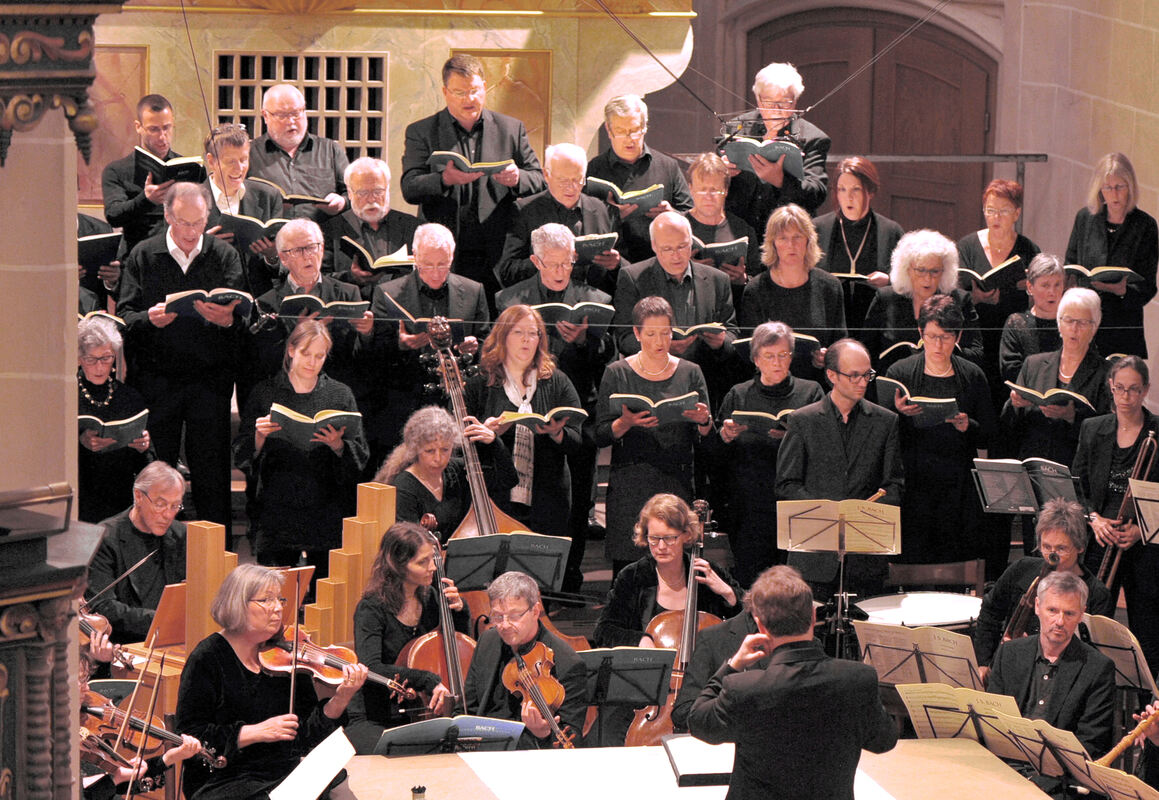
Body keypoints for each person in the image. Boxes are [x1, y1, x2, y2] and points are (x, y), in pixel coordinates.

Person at [687, 565, 896, 800]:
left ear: (760, 625)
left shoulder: (742, 688)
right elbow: (884, 741)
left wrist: (732, 664)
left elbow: (698, 722)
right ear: (813, 616)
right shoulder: (858, 679)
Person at [175, 564, 368, 800]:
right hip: (225, 778)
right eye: (266, 600)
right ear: (238, 604)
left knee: (341, 788)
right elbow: (189, 735)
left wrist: (341, 698)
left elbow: (305, 737)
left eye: (280, 599)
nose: (277, 608)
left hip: (279, 771)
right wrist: (254, 732)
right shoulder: (208, 657)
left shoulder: (288, 655)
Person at [117, 181, 245, 532]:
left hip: (210, 380)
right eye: (184, 222)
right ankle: (152, 543)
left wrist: (227, 319)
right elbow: (125, 316)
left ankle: (217, 552)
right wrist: (149, 319)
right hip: (157, 380)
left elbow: (244, 316)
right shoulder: (144, 253)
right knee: (157, 469)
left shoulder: (224, 254)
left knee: (212, 471)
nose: (191, 231)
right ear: (167, 216)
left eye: (199, 222)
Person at [496, 224, 616, 590]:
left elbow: (606, 357)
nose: (562, 271)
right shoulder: (510, 300)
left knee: (577, 499)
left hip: (575, 409)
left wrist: (584, 342)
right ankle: (524, 579)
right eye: (553, 264)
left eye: (568, 263)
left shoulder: (595, 299)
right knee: (528, 498)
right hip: (522, 407)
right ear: (535, 261)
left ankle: (569, 577)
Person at [400, 54, 544, 300]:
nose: (469, 99)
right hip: (446, 253)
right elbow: (410, 187)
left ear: (485, 87)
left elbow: (538, 179)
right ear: (445, 92)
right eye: (460, 92)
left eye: (475, 90)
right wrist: (444, 180)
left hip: (498, 251)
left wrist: (517, 178)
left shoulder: (510, 129)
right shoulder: (422, 131)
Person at [234, 319, 368, 579]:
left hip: (325, 504)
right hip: (278, 504)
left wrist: (338, 445)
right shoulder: (265, 392)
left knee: (326, 588)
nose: (312, 362)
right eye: (306, 354)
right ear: (291, 350)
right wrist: (259, 437)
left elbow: (360, 456)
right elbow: (241, 451)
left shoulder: (340, 395)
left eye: (320, 356)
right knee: (276, 587)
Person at [775, 339, 904, 597]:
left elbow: (894, 485)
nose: (862, 382)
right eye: (854, 375)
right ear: (831, 375)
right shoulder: (802, 420)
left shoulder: (886, 421)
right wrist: (827, 512)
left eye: (867, 375)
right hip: (813, 559)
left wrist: (865, 511)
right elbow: (787, 484)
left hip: (865, 557)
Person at [596, 297, 712, 576]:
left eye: (665, 333)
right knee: (629, 570)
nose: (659, 341)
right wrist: (624, 423)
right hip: (630, 483)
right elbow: (599, 434)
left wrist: (704, 422)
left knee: (674, 568)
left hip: (675, 479)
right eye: (650, 334)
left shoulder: (690, 372)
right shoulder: (617, 373)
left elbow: (708, 438)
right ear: (636, 334)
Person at [883, 295, 996, 565]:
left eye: (946, 337)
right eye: (932, 336)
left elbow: (990, 431)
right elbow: (882, 436)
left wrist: (969, 425)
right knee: (914, 557)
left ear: (958, 336)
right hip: (914, 481)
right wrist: (897, 413)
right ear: (921, 332)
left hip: (957, 483)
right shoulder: (899, 372)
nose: (938, 345)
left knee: (953, 557)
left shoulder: (972, 375)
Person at [710, 322, 824, 585]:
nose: (777, 362)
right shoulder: (738, 394)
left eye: (783, 355)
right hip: (750, 504)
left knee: (795, 582)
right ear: (756, 359)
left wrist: (793, 439)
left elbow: (825, 447)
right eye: (769, 356)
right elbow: (716, 456)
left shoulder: (811, 392)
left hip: (796, 503)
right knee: (753, 581)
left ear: (792, 357)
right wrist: (726, 436)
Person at [346, 521, 469, 753]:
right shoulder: (371, 608)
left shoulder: (431, 598)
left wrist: (459, 610)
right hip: (374, 715)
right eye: (422, 562)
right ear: (398, 565)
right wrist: (427, 680)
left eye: (432, 559)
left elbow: (458, 646)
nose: (432, 567)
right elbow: (371, 668)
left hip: (419, 711)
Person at [988, 571, 1115, 792]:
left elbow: (1090, 744)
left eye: (1069, 613)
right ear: (1037, 607)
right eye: (1052, 610)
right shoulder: (1009, 653)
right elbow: (991, 722)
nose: (1060, 622)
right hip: (1004, 770)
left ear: (1081, 614)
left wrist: (1034, 785)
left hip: (1059, 782)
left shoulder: (1098, 668)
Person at [465, 305, 583, 539]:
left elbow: (577, 440)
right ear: (503, 336)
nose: (526, 340)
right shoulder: (481, 382)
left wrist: (557, 433)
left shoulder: (557, 381)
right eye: (518, 332)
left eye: (533, 333)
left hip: (548, 495)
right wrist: (488, 433)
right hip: (496, 494)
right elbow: (460, 439)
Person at [369, 222, 491, 448]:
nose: (436, 273)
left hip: (457, 399)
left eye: (443, 264)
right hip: (406, 398)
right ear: (415, 256)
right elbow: (374, 353)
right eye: (427, 264)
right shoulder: (388, 293)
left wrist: (475, 347)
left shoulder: (474, 291)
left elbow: (487, 345)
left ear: (452, 257)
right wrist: (402, 345)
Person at [1072, 355, 1159, 672]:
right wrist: (1093, 519)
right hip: (1101, 541)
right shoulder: (1093, 429)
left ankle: (1148, 699)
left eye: (1134, 389)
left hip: (1145, 545)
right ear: (1110, 386)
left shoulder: (1157, 431)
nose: (1126, 396)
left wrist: (1141, 529)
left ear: (1145, 389)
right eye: (1120, 388)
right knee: (1094, 625)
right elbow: (1077, 486)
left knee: (1148, 631)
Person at [610, 211, 740, 405]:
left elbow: (732, 333)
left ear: (691, 242)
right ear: (654, 246)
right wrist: (661, 346)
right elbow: (624, 338)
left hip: (705, 382)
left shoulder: (717, 279)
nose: (676, 256)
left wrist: (721, 342)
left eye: (682, 246)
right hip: (651, 384)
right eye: (667, 249)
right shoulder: (633, 277)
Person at [973, 499, 1113, 674]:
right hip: (1009, 673)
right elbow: (990, 613)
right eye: (1046, 547)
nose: (1052, 557)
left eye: (1061, 549)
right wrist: (983, 663)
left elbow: (1092, 658)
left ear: (1080, 547)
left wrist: (1028, 648)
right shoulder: (1022, 569)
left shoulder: (1097, 594)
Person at [248, 218, 372, 414]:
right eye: (298, 251)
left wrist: (366, 334)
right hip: (288, 399)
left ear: (322, 249)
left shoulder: (348, 294)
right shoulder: (267, 302)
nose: (308, 256)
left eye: (312, 247)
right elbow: (265, 364)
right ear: (283, 258)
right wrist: (297, 334)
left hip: (337, 398)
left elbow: (358, 360)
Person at [594, 493, 742, 648]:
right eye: (654, 538)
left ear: (686, 535)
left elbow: (750, 623)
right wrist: (640, 640)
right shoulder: (633, 576)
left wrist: (728, 593)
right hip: (650, 663)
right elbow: (604, 631)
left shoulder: (707, 572)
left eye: (669, 538)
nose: (661, 547)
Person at [463, 571, 588, 749]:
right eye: (497, 616)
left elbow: (571, 743)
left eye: (514, 616)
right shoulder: (488, 641)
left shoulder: (567, 663)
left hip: (529, 756)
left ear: (535, 611)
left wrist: (543, 734)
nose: (504, 625)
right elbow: (468, 708)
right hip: (481, 749)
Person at [1002, 287, 1111, 467]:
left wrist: (1072, 417)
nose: (1074, 328)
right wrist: (1014, 404)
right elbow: (1009, 427)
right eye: (1068, 320)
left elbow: (1108, 432)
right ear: (1059, 323)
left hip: (1076, 468)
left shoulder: (1106, 373)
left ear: (1094, 327)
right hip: (1032, 465)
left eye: (1082, 322)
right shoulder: (1033, 365)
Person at [958, 179, 1042, 413]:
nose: (996, 217)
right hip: (975, 336)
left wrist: (1029, 287)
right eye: (990, 210)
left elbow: (1040, 297)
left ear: (1016, 213)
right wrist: (976, 297)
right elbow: (955, 292)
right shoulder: (967, 245)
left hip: (1012, 339)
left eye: (1003, 211)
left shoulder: (1029, 249)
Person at [1065, 152, 1158, 359]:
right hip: (1085, 323)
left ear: (1130, 187)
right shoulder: (1085, 218)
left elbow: (1149, 286)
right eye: (1107, 187)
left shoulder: (1145, 226)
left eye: (1119, 187)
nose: (1114, 194)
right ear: (1099, 189)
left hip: (1122, 328)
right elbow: (1070, 263)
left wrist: (1124, 291)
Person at [740, 204, 846, 384]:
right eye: (783, 238)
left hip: (817, 384)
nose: (791, 245)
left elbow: (840, 344)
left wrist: (828, 357)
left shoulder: (830, 287)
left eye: (797, 237)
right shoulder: (756, 289)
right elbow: (748, 351)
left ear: (808, 241)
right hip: (771, 386)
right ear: (773, 244)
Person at [374, 406, 515, 541]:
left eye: (445, 450)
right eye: (430, 451)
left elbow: (508, 479)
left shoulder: (456, 470)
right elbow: (411, 545)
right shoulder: (404, 488)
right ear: (415, 449)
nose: (438, 458)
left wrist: (494, 442)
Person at [496, 142, 621, 291]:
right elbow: (507, 271)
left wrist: (616, 263)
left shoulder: (600, 209)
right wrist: (548, 262)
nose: (571, 187)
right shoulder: (525, 211)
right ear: (546, 175)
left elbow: (621, 267)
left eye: (577, 179)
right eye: (563, 180)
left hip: (592, 298)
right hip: (543, 298)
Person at [723, 62, 831, 234]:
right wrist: (722, 172)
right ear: (758, 99)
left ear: (795, 102)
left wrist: (781, 180)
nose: (776, 110)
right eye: (768, 102)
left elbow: (816, 193)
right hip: (738, 229)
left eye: (784, 103)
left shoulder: (813, 138)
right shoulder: (735, 128)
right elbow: (714, 180)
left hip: (787, 234)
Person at [86, 461, 187, 643]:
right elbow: (103, 606)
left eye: (175, 506)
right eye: (160, 504)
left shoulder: (181, 535)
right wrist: (161, 620)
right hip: (124, 642)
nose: (168, 515)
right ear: (138, 496)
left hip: (173, 639)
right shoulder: (105, 538)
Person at [586, 94, 693, 264]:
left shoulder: (668, 166)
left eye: (634, 130)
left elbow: (691, 215)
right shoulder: (594, 169)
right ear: (608, 130)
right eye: (621, 131)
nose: (629, 139)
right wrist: (614, 217)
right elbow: (584, 223)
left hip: (659, 264)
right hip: (611, 266)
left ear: (644, 127)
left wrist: (672, 214)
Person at [863, 228, 983, 371]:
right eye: (921, 270)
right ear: (907, 269)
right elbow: (866, 353)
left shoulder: (960, 301)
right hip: (894, 379)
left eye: (935, 271)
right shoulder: (885, 299)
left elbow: (977, 354)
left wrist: (945, 349)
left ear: (944, 271)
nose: (928, 278)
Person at [814, 157, 903, 335]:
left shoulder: (891, 231)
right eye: (842, 189)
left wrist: (889, 280)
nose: (849, 197)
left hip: (875, 323)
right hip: (829, 322)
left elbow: (909, 282)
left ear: (870, 191)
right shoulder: (817, 228)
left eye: (856, 189)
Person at [77, 316, 153, 524]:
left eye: (107, 358)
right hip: (81, 493)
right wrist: (81, 442)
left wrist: (144, 447)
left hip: (120, 495)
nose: (100, 367)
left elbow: (147, 462)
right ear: (79, 358)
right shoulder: (67, 395)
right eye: (91, 359)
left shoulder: (129, 396)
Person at [201, 123, 284, 298]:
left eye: (243, 159)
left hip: (258, 301)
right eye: (230, 161)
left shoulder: (269, 197)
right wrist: (201, 248)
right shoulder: (189, 202)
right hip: (208, 299)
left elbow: (282, 268)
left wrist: (272, 256)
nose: (239, 168)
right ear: (211, 161)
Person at [248, 84, 348, 222]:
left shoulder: (330, 150)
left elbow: (354, 193)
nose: (291, 121)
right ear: (266, 116)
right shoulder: (249, 153)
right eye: (282, 115)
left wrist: (342, 202)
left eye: (296, 114)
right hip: (270, 235)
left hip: (321, 233)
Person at [683, 153, 762, 317]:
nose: (708, 197)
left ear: (725, 190)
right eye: (702, 189)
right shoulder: (677, 226)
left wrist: (743, 279)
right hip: (687, 314)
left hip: (731, 313)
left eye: (714, 190)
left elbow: (758, 282)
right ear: (690, 188)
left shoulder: (743, 230)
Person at [323, 157, 420, 292]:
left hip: (399, 302)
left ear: (387, 189)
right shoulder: (331, 230)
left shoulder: (412, 227)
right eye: (363, 193)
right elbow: (320, 279)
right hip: (354, 303)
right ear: (349, 193)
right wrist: (350, 277)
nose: (371, 199)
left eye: (378, 191)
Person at [101, 94, 180, 253]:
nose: (162, 136)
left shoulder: (187, 167)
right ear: (138, 127)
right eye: (154, 129)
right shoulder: (116, 170)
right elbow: (113, 216)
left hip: (179, 257)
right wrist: (146, 200)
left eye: (167, 127)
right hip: (137, 257)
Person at [999, 253, 1065, 382]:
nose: (1052, 292)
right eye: (1045, 285)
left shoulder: (1072, 322)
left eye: (1057, 284)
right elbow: (1010, 370)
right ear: (1030, 287)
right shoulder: (1016, 323)